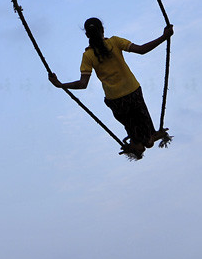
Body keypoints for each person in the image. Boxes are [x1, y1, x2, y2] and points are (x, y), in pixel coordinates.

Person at [49, 17, 173, 158]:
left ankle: (138, 143)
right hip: (133, 93)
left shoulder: (88, 55)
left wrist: (61, 85)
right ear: (102, 30)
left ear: (87, 35)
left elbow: (82, 84)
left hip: (116, 101)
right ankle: (144, 140)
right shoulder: (114, 42)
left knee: (138, 135)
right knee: (148, 139)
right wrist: (164, 37)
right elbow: (142, 50)